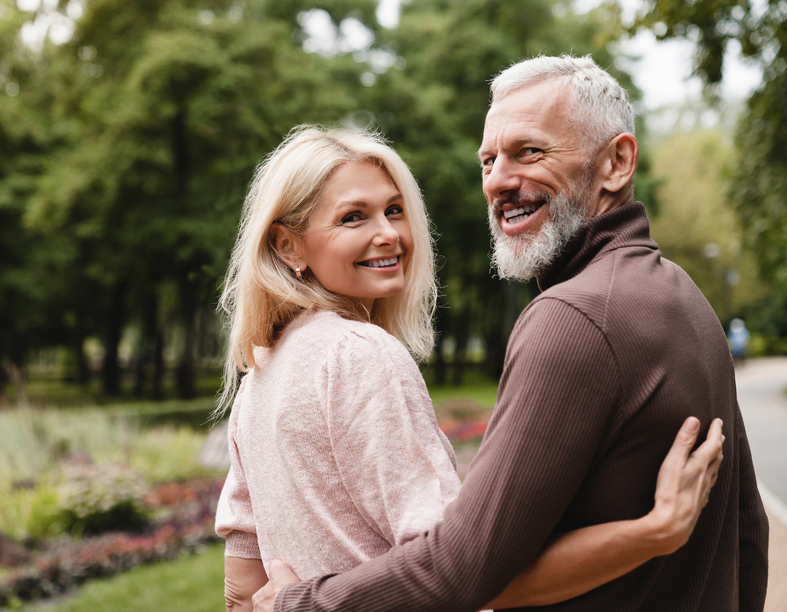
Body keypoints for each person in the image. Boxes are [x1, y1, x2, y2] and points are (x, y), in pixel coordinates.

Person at [254, 56, 769, 612]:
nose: (498, 180)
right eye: (488, 160)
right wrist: (652, 532)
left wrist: (298, 605)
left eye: (530, 151)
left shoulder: (575, 316)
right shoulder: (682, 296)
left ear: (617, 162)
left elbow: (461, 568)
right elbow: (748, 532)